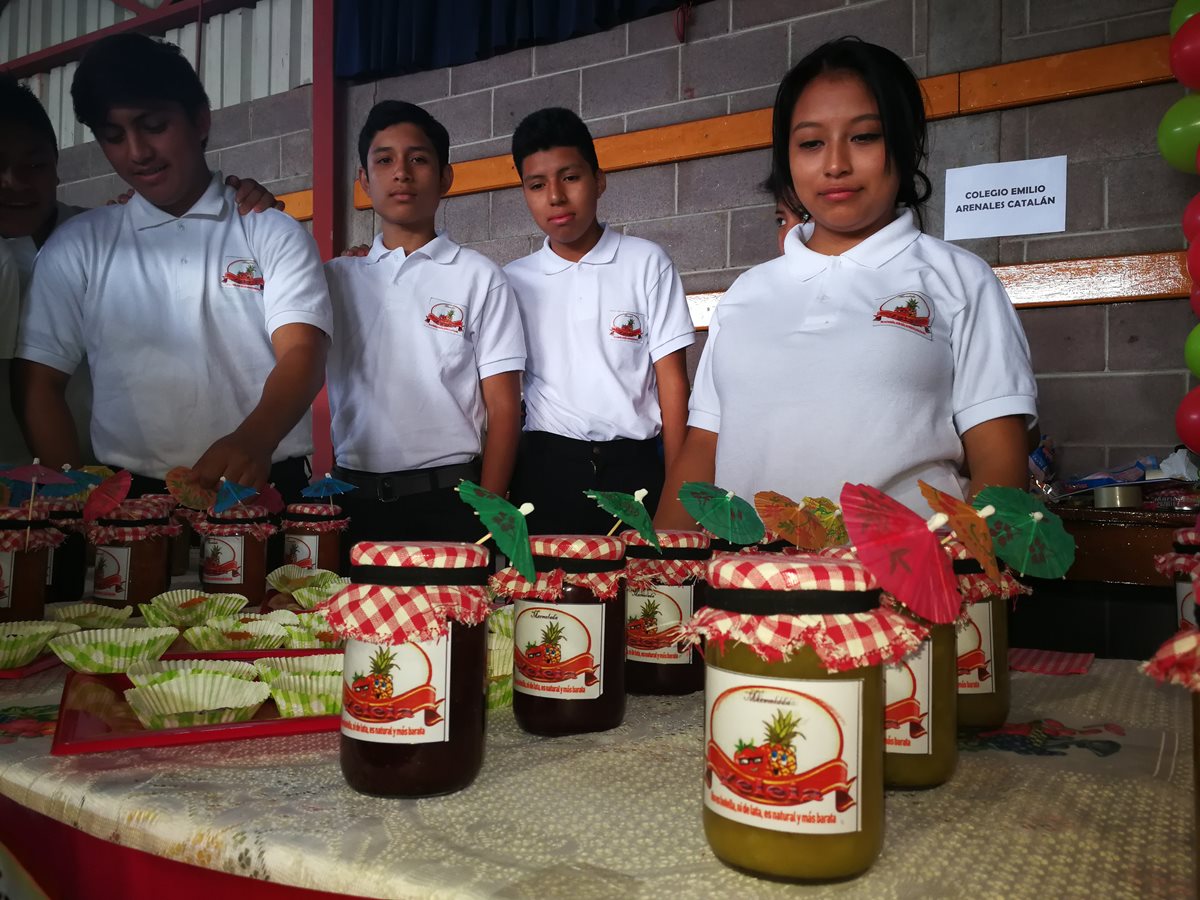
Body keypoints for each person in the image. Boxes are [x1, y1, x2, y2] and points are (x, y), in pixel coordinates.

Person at [656, 37, 1036, 526]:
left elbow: (999, 468)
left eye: (865, 137)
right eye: (811, 143)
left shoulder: (959, 280)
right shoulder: (746, 295)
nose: (835, 163)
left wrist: (961, 584)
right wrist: (660, 579)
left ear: (904, 143)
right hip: (746, 588)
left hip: (902, 590)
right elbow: (702, 454)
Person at [13, 34, 332, 501]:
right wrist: (76, 495)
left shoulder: (269, 231)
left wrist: (254, 439)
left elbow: (303, 352)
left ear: (199, 120)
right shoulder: (80, 245)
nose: (138, 151)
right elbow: (38, 381)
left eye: (154, 125)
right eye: (114, 136)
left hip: (262, 483)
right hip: (128, 497)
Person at [0, 72, 283, 467]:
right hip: (29, 471)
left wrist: (237, 206)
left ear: (57, 163)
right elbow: (36, 384)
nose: (14, 183)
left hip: (109, 471)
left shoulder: (95, 236)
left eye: (34, 164)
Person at [323, 100, 525, 551]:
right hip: (351, 505)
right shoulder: (333, 280)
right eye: (385, 160)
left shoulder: (479, 276)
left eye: (418, 159)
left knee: (451, 622)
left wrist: (486, 512)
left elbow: (504, 407)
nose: (402, 173)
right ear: (364, 181)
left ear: (445, 178)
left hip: (449, 503)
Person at [504, 107, 694, 534]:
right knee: (549, 596)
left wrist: (678, 490)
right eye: (537, 185)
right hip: (546, 469)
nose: (555, 196)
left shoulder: (646, 262)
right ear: (525, 193)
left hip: (637, 471)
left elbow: (673, 385)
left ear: (598, 179)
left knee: (639, 595)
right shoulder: (511, 281)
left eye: (570, 177)